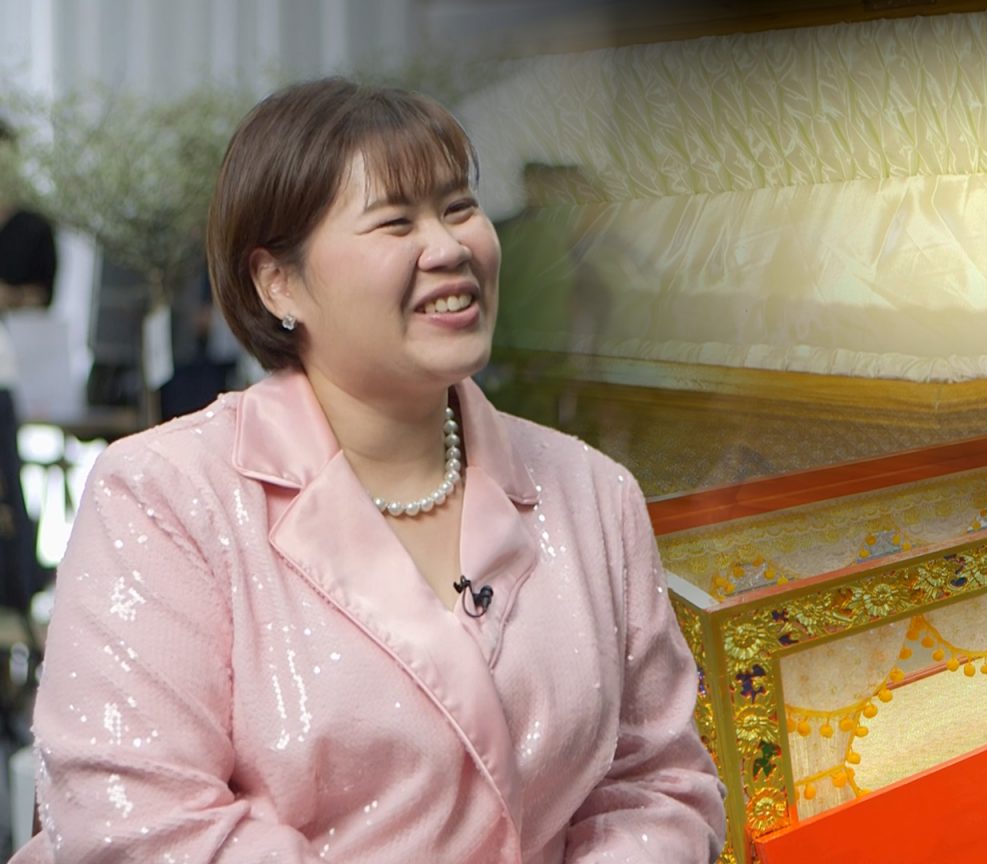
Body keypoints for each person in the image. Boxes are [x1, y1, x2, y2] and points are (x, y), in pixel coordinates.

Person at [12, 78, 726, 863]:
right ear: (279, 283)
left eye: (459, 207)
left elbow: (658, 783)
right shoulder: (165, 496)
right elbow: (139, 824)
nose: (449, 248)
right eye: (395, 221)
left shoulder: (595, 493)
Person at [0, 119, 55, 616]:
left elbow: (46, 298)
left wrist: (10, 298)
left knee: (9, 484)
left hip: (14, 369)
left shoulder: (33, 229)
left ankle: (20, 587)